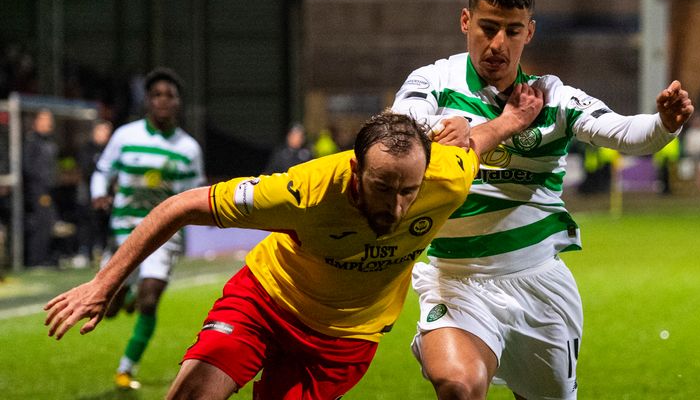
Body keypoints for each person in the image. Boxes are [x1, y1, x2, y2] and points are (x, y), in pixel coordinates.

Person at [44, 102, 543, 400]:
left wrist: (514, 116)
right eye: (381, 187)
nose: (395, 207)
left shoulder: (446, 177)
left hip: (345, 336)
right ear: (353, 171)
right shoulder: (303, 191)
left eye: (407, 191)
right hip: (266, 300)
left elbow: (479, 139)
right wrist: (103, 284)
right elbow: (179, 206)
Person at [390, 0, 695, 399]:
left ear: (529, 31)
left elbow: (625, 132)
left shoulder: (552, 98)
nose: (498, 43)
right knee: (458, 385)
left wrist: (665, 122)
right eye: (488, 27)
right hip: (455, 280)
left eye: (513, 31)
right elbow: (404, 128)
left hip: (537, 283)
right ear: (465, 21)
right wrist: (483, 126)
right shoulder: (434, 82)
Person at [89, 67, 205, 390]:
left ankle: (125, 369)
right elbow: (101, 171)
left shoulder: (188, 149)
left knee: (151, 299)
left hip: (162, 236)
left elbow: (193, 195)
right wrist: (99, 193)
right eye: (157, 95)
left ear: (179, 102)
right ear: (147, 101)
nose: (163, 101)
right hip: (123, 232)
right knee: (107, 311)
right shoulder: (125, 136)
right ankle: (124, 296)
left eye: (170, 95)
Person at [22, 108, 59, 268]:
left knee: (48, 222)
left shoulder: (49, 141)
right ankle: (36, 260)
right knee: (41, 223)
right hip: (38, 190)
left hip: (48, 189)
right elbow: (27, 166)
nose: (49, 123)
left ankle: (44, 258)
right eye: (44, 119)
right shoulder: (31, 142)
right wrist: (40, 184)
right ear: (36, 122)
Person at [75, 119, 113, 266]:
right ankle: (85, 252)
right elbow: (86, 170)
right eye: (101, 131)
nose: (104, 135)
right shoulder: (86, 149)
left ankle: (104, 251)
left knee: (104, 224)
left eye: (107, 132)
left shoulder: (110, 150)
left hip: (107, 196)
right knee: (87, 224)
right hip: (88, 195)